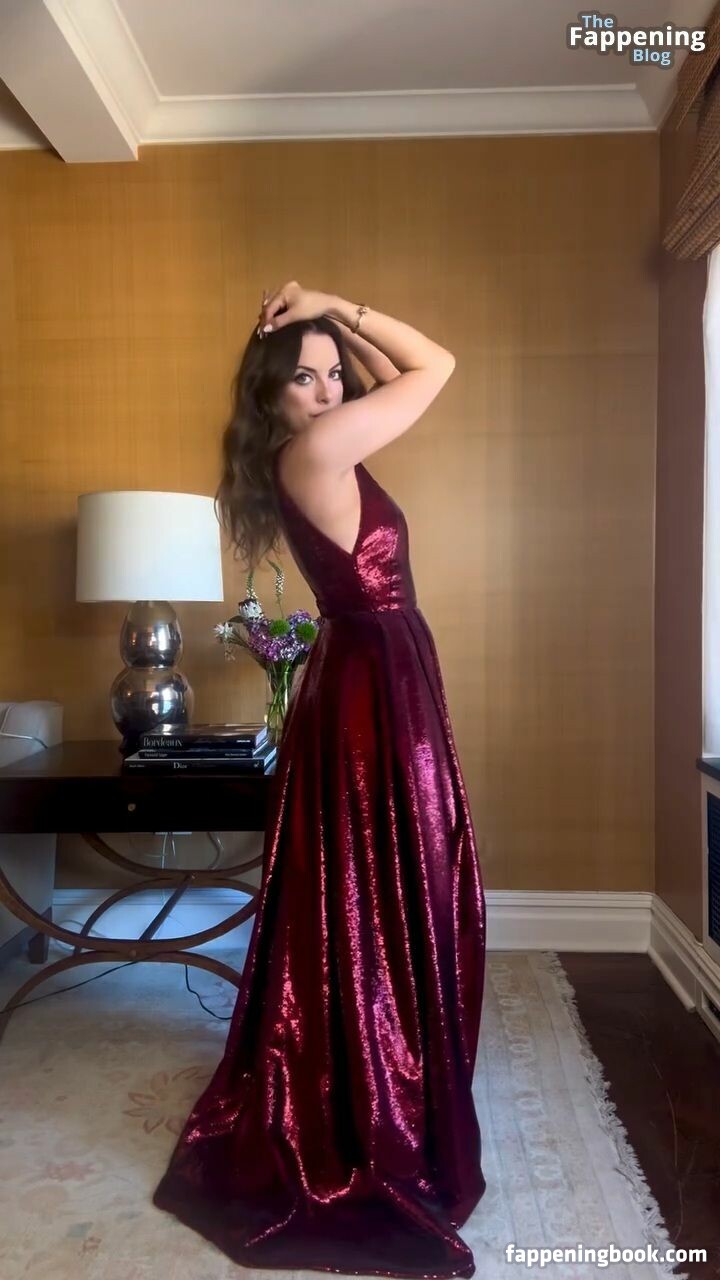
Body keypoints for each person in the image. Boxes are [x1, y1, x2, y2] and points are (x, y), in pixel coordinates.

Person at [152, 282, 487, 1278]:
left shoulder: (316, 444)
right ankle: (372, 1091)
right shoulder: (317, 451)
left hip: (372, 671)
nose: (331, 389)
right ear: (270, 392)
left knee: (380, 885)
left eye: (334, 375)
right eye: (305, 377)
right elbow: (436, 365)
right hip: (373, 680)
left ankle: (380, 1066)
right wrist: (336, 301)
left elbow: (390, 378)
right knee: (390, 884)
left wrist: (334, 334)